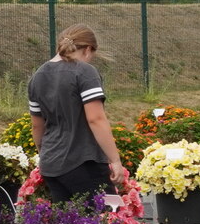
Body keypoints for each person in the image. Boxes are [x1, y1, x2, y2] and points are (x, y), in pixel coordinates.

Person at [26, 25, 127, 205]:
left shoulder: (37, 76)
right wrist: (116, 160)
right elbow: (96, 119)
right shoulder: (84, 72)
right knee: (109, 221)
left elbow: (37, 126)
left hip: (51, 166)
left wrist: (46, 155)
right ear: (88, 49)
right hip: (84, 161)